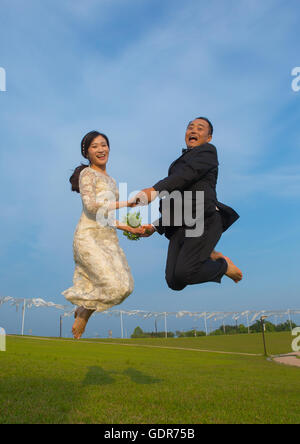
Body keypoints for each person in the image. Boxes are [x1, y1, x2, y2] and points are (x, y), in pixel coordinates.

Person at [131, 117, 243, 290]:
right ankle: (209, 254)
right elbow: (176, 204)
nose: (193, 131)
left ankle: (223, 265)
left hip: (203, 219)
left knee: (184, 273)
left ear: (209, 137)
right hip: (179, 226)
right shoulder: (177, 164)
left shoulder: (208, 152)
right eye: (190, 127)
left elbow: (186, 175)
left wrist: (155, 190)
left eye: (200, 128)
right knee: (174, 282)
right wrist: (154, 227)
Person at [62, 131, 144, 339]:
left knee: (125, 287)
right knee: (111, 285)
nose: (101, 149)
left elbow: (105, 216)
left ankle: (83, 309)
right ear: (87, 153)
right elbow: (91, 207)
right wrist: (126, 203)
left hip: (108, 239)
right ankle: (84, 313)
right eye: (95, 146)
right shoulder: (87, 174)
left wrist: (129, 228)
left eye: (104, 145)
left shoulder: (113, 181)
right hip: (88, 237)